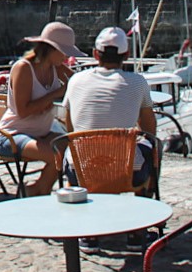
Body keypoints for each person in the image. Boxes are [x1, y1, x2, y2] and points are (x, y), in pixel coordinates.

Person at [62, 26, 157, 188]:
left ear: (95, 54)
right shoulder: (138, 82)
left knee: (70, 153)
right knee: (153, 149)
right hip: (128, 172)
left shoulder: (76, 80)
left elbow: (70, 126)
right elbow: (149, 129)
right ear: (126, 55)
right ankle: (146, 194)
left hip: (79, 170)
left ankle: (75, 191)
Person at [0, 21, 84, 196]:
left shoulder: (56, 67)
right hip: (13, 134)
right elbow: (23, 111)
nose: (66, 57)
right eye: (64, 52)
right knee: (58, 156)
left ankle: (39, 189)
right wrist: (56, 94)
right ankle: (40, 190)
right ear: (51, 49)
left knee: (76, 152)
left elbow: (79, 83)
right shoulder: (24, 68)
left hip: (41, 132)